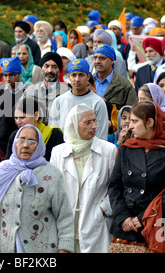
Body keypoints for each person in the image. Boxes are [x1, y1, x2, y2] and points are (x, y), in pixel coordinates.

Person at [0, 124, 74, 253]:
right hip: (3, 247)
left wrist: (65, 247)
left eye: (32, 141)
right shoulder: (1, 173)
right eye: (21, 140)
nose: (25, 145)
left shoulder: (52, 174)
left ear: (39, 146)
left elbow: (64, 215)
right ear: (14, 143)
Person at [108, 101, 165, 253]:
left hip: (160, 224)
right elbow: (114, 186)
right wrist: (123, 217)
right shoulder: (126, 149)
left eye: (135, 121)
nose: (129, 126)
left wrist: (143, 218)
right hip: (127, 226)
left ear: (150, 122)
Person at [50, 104, 117, 252]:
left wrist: (103, 209)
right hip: (66, 224)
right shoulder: (58, 152)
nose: (94, 126)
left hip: (96, 223)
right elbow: (52, 188)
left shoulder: (108, 150)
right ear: (73, 125)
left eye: (94, 121)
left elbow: (116, 186)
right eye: (87, 122)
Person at [49, 57, 109, 140]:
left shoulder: (98, 102)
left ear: (88, 77)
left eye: (81, 75)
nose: (77, 79)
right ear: (69, 77)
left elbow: (100, 137)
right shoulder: (59, 101)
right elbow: (54, 133)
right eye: (74, 75)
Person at [93, 44, 137, 132]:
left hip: (113, 134)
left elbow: (132, 112)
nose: (97, 61)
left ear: (111, 61)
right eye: (95, 58)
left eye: (102, 58)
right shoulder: (88, 82)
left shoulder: (124, 85)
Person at [20, 52, 69, 125]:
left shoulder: (67, 92)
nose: (50, 70)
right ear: (41, 68)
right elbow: (20, 112)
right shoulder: (30, 90)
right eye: (46, 66)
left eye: (54, 67)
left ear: (59, 70)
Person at [0, 57, 26, 155]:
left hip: (21, 139)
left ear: (19, 73)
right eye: (5, 75)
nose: (8, 79)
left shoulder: (27, 92)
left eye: (12, 75)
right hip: (3, 141)